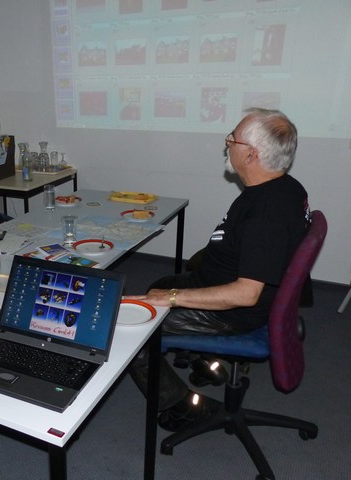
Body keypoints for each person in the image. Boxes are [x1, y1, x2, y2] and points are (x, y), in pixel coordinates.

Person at [126, 108, 310, 430]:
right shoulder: (285, 187)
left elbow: (246, 294)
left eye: (232, 140)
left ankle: (181, 406)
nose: (227, 144)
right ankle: (208, 363)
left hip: (233, 312)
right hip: (218, 281)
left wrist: (172, 298)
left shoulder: (265, 216)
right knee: (160, 284)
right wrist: (170, 291)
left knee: (134, 327)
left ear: (251, 155)